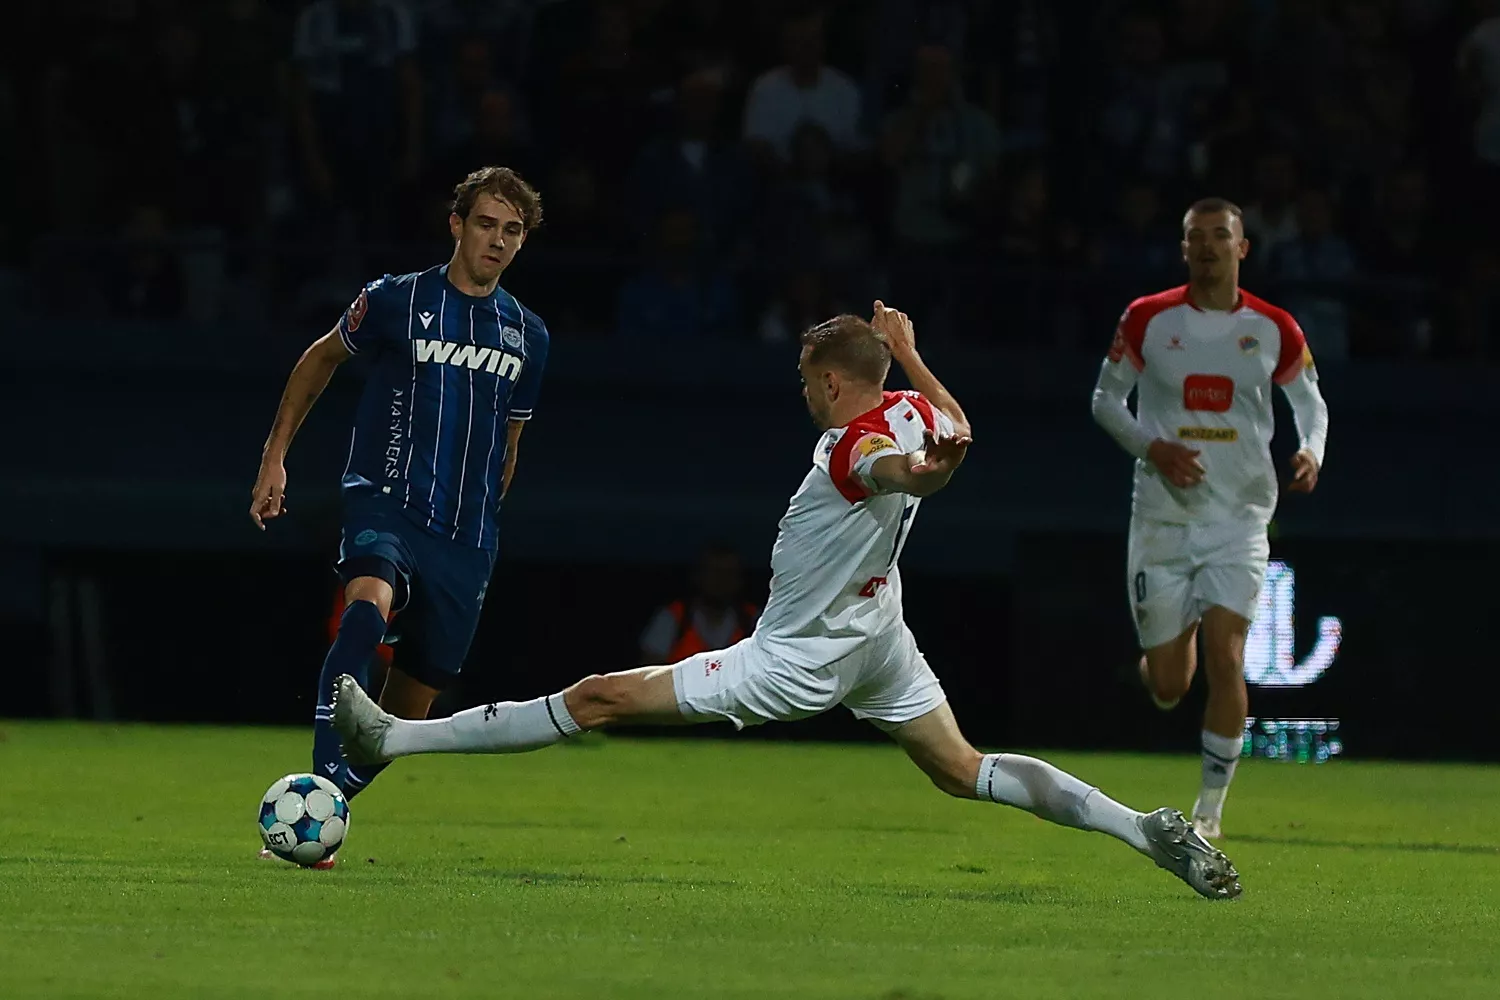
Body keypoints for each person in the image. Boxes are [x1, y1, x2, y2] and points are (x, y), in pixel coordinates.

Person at [334, 303, 1242, 900]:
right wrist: (915, 364)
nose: (804, 391)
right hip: (878, 635)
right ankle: (1143, 829)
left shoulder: (849, 447)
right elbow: (953, 429)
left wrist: (926, 473)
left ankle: (391, 738)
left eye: (808, 379)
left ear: (835, 384)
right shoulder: (912, 409)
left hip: (797, 655)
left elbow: (898, 472)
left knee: (599, 696)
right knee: (963, 768)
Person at [249, 166, 549, 866]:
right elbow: (319, 359)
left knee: (407, 715)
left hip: (467, 537)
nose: (497, 240)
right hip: (386, 500)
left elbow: (510, 441)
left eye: (512, 231)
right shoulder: (396, 299)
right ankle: (319, 796)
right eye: (486, 224)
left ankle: (329, 800)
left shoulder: (529, 335)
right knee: (366, 607)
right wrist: (274, 458)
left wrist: (484, 520)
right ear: (456, 225)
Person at [1091, 197, 1330, 840]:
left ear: (1242, 247)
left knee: (1227, 657)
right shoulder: (1147, 318)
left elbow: (1311, 405)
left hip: (1240, 520)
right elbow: (1106, 400)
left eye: (1220, 236)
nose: (1207, 246)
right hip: (1163, 520)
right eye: (1195, 236)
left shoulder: (1275, 327)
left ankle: (1210, 812)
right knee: (1170, 685)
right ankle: (1169, 642)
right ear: (1183, 249)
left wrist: (1311, 451)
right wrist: (1153, 447)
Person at [638, 545, 759, 665]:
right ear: (698, 576)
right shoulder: (672, 617)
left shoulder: (755, 620)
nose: (721, 580)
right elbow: (650, 668)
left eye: (729, 573)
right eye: (714, 572)